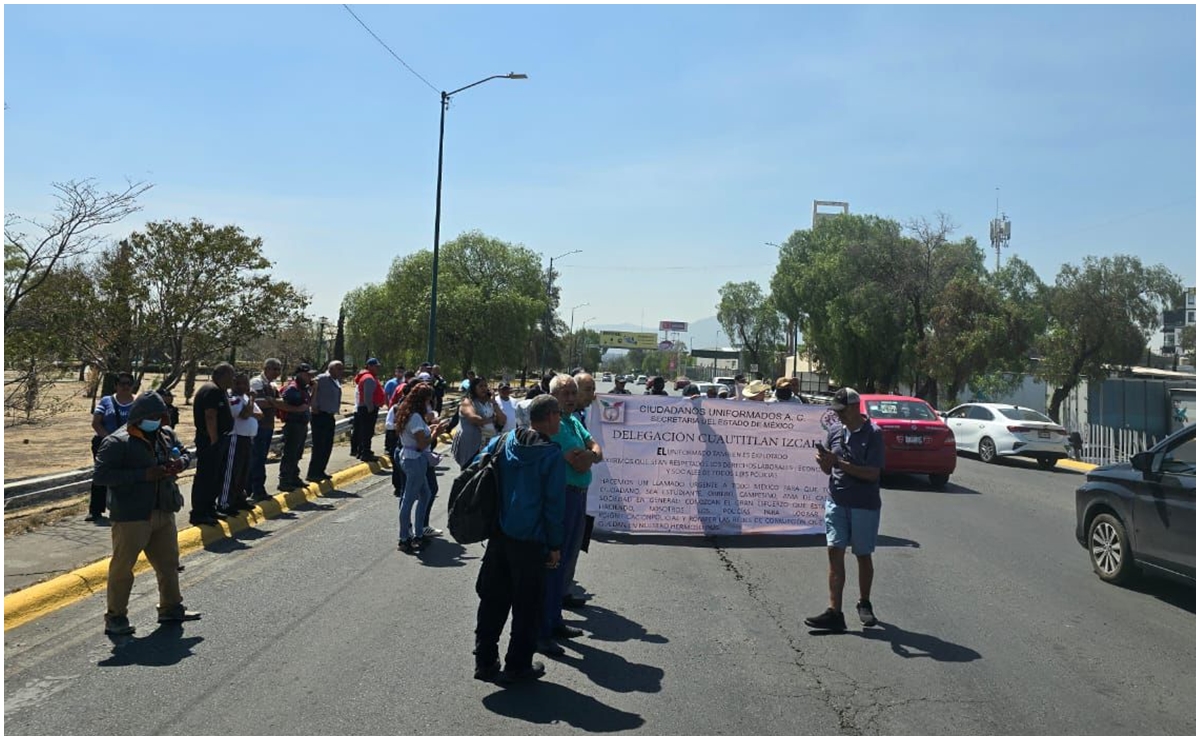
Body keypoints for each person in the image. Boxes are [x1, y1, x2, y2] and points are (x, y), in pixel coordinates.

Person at [473, 394, 566, 685]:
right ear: (549, 416)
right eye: (559, 415)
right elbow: (553, 506)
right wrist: (555, 545)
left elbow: (477, 464)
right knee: (527, 608)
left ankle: (485, 662)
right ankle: (517, 666)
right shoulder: (551, 455)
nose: (560, 420)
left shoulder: (505, 441)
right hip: (531, 542)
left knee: (492, 601)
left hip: (500, 536)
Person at [94, 391, 200, 635]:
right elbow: (101, 476)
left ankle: (171, 608)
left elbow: (184, 452)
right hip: (132, 516)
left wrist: (180, 463)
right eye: (153, 416)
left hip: (163, 509)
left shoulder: (166, 434)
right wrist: (143, 475)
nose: (158, 420)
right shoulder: (117, 442)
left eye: (160, 415)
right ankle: (116, 617)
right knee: (123, 568)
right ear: (139, 416)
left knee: (169, 564)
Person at [805, 387, 885, 633]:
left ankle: (864, 602)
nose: (838, 415)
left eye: (841, 410)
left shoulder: (873, 434)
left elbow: (872, 473)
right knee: (834, 551)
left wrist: (839, 462)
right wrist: (825, 463)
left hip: (864, 504)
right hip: (836, 501)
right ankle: (834, 612)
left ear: (854, 407)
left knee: (862, 554)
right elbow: (829, 470)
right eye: (836, 411)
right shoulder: (835, 431)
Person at [538, 374, 603, 657]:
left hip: (578, 496)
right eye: (564, 392)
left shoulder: (574, 420)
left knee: (567, 558)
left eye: (572, 393)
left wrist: (589, 454)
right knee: (554, 560)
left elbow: (596, 450)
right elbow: (577, 461)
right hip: (562, 495)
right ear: (553, 395)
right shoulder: (555, 425)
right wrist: (589, 455)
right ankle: (545, 626)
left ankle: (555, 619)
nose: (569, 397)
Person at [395, 383, 447, 553]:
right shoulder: (416, 417)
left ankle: (418, 534)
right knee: (409, 499)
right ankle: (405, 538)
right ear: (424, 400)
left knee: (426, 494)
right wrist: (435, 433)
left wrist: (429, 429)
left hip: (410, 457)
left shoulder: (407, 412)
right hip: (415, 460)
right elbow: (422, 444)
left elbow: (415, 436)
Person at [189, 363, 236, 527]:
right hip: (209, 440)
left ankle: (210, 508)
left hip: (219, 439)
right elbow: (210, 416)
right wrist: (214, 439)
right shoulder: (212, 390)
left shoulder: (220, 390)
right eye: (232, 375)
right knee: (206, 476)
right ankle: (199, 513)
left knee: (216, 476)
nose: (233, 379)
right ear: (222, 375)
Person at [88, 371, 138, 523]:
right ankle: (95, 510)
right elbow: (96, 423)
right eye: (122, 383)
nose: (125, 387)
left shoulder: (138, 401)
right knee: (101, 475)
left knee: (129, 476)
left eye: (128, 384)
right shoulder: (106, 401)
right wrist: (109, 439)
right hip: (105, 443)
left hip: (130, 444)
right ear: (115, 385)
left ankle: (128, 507)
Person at [217, 373, 262, 516]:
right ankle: (224, 503)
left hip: (247, 438)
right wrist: (251, 404)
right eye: (239, 383)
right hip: (235, 438)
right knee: (231, 472)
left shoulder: (246, 398)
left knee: (243, 471)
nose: (242, 386)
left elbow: (259, 414)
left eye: (245, 383)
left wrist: (249, 407)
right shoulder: (233, 398)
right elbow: (244, 414)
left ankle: (238, 499)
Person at [248, 359, 283, 502]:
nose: (277, 372)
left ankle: (256, 489)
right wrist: (273, 402)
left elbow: (280, 401)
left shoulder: (272, 385)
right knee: (256, 459)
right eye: (274, 369)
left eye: (278, 369)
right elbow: (257, 403)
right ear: (266, 368)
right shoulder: (257, 383)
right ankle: (255, 490)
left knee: (261, 459)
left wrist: (272, 401)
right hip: (258, 427)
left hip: (268, 427)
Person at [453, 377, 507, 469]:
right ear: (474, 388)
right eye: (480, 386)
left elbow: (502, 420)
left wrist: (494, 402)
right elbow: (474, 419)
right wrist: (491, 420)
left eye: (485, 386)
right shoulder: (467, 402)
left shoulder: (489, 403)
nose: (484, 388)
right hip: (471, 443)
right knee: (470, 471)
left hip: (488, 442)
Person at [278, 364, 313, 490]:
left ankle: (293, 476)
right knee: (290, 453)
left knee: (297, 453)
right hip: (293, 424)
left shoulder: (304, 388)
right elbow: (283, 403)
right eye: (307, 374)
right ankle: (284, 480)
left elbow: (309, 404)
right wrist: (297, 409)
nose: (310, 377)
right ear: (300, 374)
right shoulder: (293, 389)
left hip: (301, 425)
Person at [307, 360, 343, 482]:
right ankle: (313, 472)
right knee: (319, 445)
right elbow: (310, 389)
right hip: (320, 415)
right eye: (338, 368)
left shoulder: (336, 380)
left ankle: (320, 470)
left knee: (327, 445)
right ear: (331, 369)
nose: (341, 371)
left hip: (329, 416)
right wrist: (314, 405)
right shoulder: (322, 378)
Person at [352, 358, 387, 461]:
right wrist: (371, 408)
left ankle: (363, 451)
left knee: (365, 431)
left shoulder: (368, 377)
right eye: (376, 366)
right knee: (367, 432)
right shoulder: (368, 378)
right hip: (367, 409)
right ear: (369, 366)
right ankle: (365, 453)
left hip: (365, 408)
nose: (377, 369)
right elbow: (368, 397)